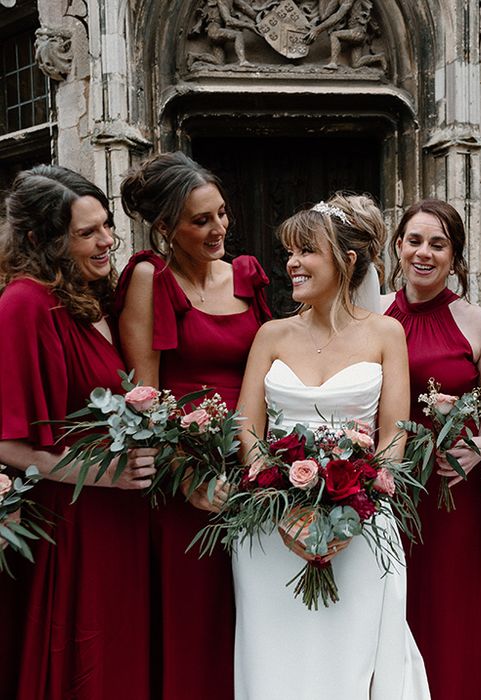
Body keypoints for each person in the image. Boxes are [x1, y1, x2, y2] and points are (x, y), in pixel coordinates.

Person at [234, 194, 430, 700]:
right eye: (289, 254)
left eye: (306, 252)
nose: (292, 263)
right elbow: (249, 429)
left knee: (353, 657)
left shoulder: (386, 333)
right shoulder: (270, 335)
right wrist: (274, 499)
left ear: (345, 261)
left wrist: (360, 504)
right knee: (275, 658)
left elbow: (395, 432)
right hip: (270, 526)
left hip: (362, 525)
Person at [115, 151, 270, 700]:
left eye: (222, 214)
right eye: (200, 220)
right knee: (196, 618)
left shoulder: (248, 274)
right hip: (186, 476)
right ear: (165, 227)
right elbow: (145, 396)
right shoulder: (149, 278)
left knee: (252, 615)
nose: (218, 228)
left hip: (254, 472)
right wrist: (186, 476)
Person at [0, 165, 156, 699]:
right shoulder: (24, 304)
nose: (107, 240)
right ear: (42, 239)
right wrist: (104, 475)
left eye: (107, 226)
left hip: (122, 518)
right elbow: (7, 442)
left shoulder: (90, 296)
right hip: (75, 520)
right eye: (87, 232)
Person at [381, 198, 481, 699]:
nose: (424, 253)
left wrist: (479, 445)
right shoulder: (374, 317)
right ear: (398, 246)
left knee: (451, 609)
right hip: (389, 489)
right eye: (415, 241)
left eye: (438, 244)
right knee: (394, 606)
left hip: (453, 486)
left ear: (455, 256)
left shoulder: (479, 323)